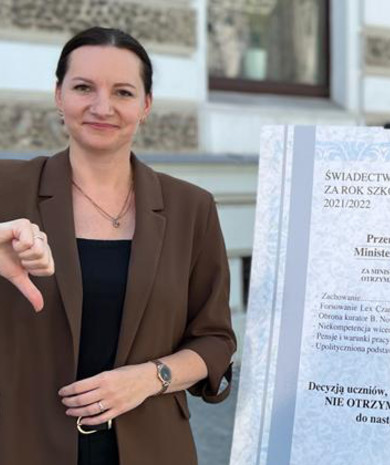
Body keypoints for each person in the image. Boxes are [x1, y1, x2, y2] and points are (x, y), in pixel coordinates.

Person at [0, 27, 237, 465]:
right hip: (21, 443)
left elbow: (215, 339)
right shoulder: (6, 188)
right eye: (83, 88)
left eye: (123, 92)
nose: (101, 107)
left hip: (152, 448)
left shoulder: (191, 207)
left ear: (145, 105)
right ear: (58, 95)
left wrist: (151, 377)